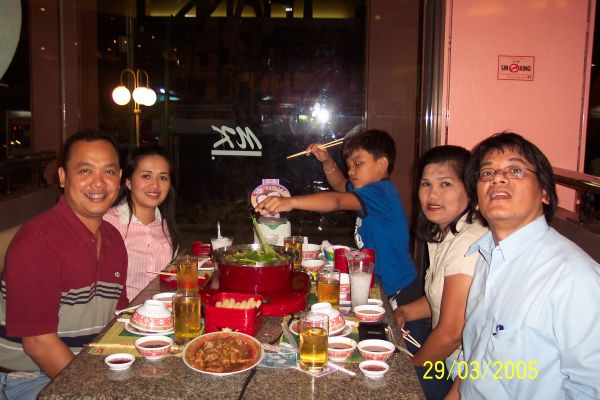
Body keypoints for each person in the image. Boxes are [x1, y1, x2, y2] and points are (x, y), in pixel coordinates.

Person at [446, 132, 600, 399]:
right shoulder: (486, 257)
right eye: (487, 173)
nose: (498, 178)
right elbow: (475, 356)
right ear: (478, 202)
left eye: (515, 170)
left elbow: (591, 388)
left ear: (545, 193)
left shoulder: (575, 277)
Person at [0, 130, 128, 400]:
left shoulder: (113, 239)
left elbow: (117, 318)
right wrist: (97, 393)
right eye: (85, 171)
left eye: (109, 171)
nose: (99, 183)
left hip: (85, 364)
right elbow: (38, 344)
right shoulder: (39, 242)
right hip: (27, 377)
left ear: (119, 179)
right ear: (62, 177)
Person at [255, 129, 417, 301]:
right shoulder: (368, 188)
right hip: (381, 281)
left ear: (382, 164)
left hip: (398, 287)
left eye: (358, 163)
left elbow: (337, 201)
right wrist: (327, 161)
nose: (351, 171)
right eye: (349, 166)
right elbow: (340, 184)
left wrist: (291, 202)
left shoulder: (380, 194)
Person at [393, 145, 487, 398]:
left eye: (445, 184)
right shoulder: (443, 233)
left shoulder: (471, 240)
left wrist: (407, 375)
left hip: (464, 372)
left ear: (470, 189)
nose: (432, 194)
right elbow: (443, 297)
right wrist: (403, 311)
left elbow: (451, 334)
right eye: (426, 184)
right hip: (448, 360)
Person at [104, 145, 179, 301]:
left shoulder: (166, 226)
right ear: (129, 182)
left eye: (163, 177)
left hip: (161, 317)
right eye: (146, 176)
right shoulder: (108, 223)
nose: (156, 185)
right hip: (121, 320)